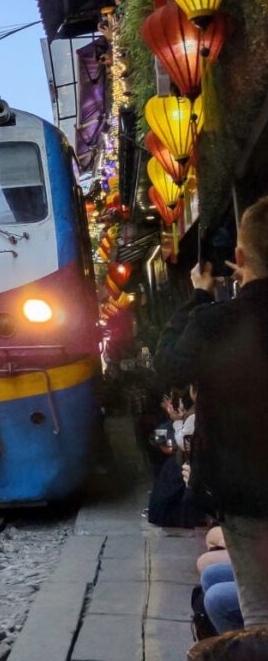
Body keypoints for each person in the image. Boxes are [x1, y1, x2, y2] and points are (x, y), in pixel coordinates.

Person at [155, 194, 268, 630]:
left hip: (247, 492)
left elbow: (168, 364)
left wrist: (200, 296)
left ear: (240, 256)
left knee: (260, 614)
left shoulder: (216, 323)